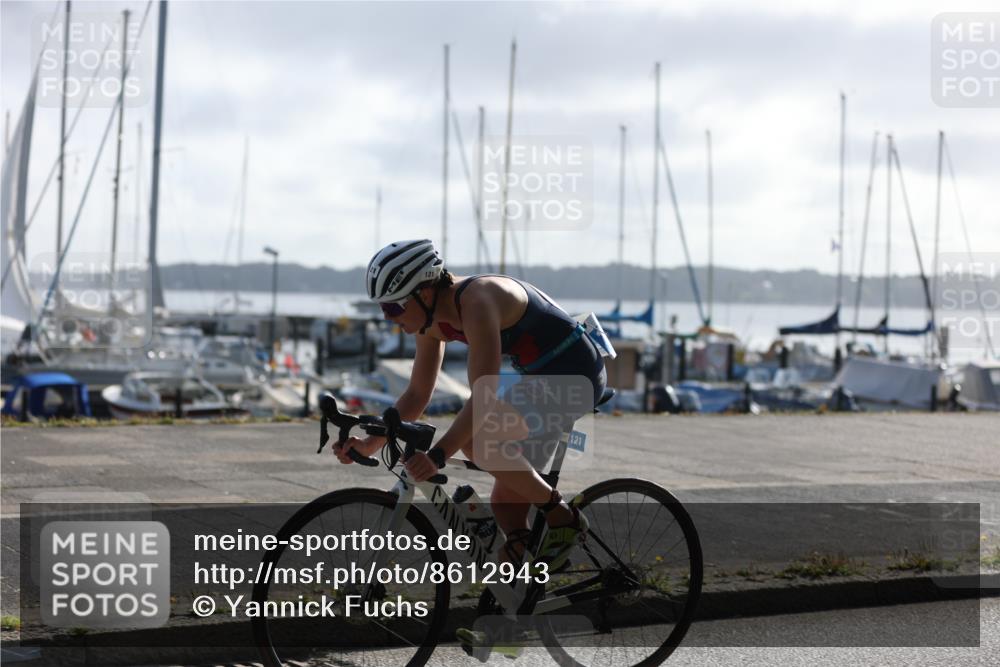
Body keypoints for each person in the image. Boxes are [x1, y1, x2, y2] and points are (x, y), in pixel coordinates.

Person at [334, 239, 607, 571]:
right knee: (506, 507)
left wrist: (437, 456)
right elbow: (419, 393)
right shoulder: (428, 321)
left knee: (479, 441)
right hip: (536, 379)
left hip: (574, 375)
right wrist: (370, 444)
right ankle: (529, 595)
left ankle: (564, 518)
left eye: (393, 307)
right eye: (383, 308)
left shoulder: (478, 300)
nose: (389, 318)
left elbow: (484, 395)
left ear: (425, 290)